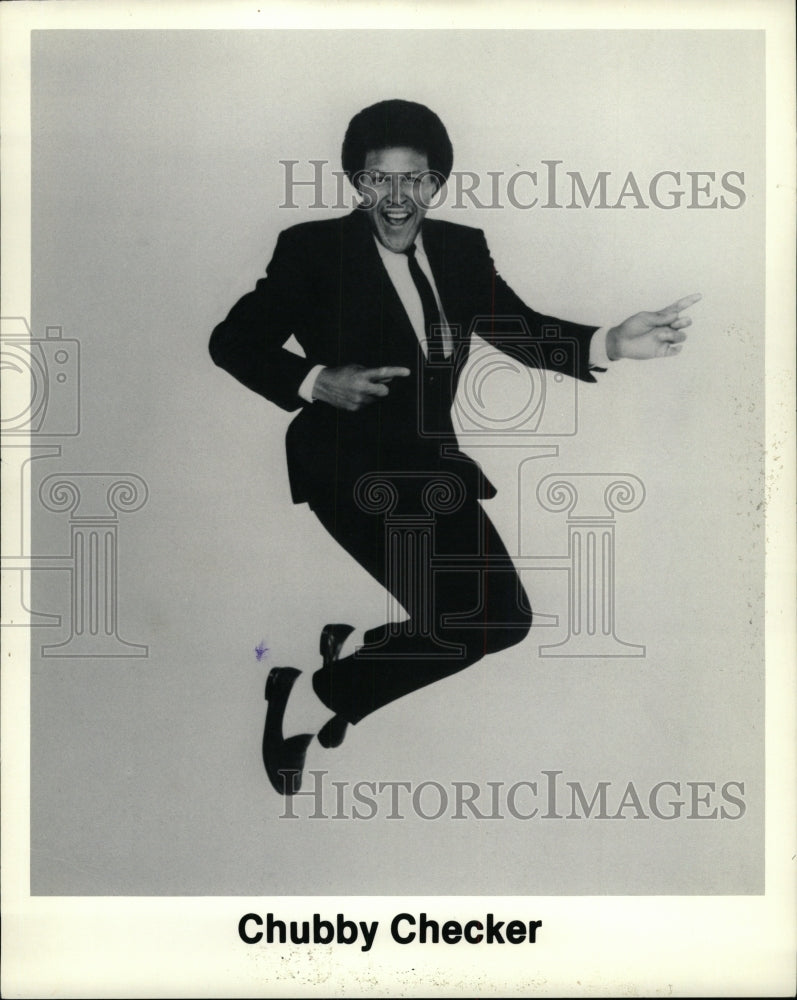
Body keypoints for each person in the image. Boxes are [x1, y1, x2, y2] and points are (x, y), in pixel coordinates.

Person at [209, 99, 699, 796]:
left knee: (504, 621)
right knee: (461, 623)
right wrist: (316, 380)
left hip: (432, 468)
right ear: (356, 182)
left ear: (436, 184)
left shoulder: (462, 250)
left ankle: (356, 655)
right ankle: (306, 700)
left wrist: (611, 342)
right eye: (379, 179)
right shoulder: (312, 249)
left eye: (414, 181)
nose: (396, 197)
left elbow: (518, 329)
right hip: (346, 467)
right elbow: (231, 342)